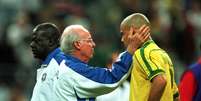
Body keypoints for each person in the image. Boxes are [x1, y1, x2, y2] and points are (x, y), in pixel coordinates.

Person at [53, 24, 150, 101]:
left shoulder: (61, 66)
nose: (93, 44)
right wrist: (132, 47)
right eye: (89, 41)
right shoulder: (73, 70)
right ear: (78, 44)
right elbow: (112, 77)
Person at [120, 13, 179, 101]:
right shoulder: (163, 54)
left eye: (123, 34)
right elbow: (175, 95)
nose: (122, 39)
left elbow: (160, 81)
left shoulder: (142, 53)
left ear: (133, 31)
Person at [30, 22, 61, 101]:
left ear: (50, 42)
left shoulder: (61, 64)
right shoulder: (50, 64)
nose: (32, 44)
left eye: (37, 41)